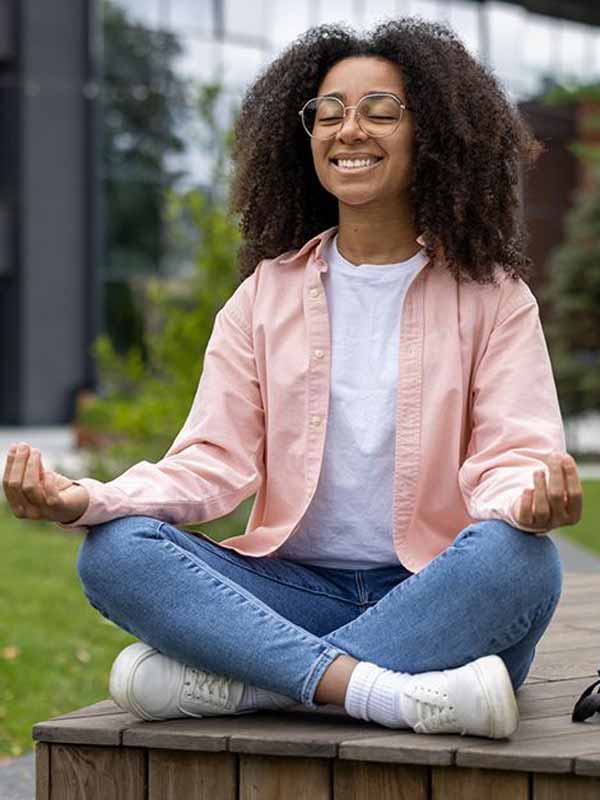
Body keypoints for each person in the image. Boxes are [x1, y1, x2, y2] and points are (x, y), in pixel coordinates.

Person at [2, 18, 583, 739]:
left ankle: (255, 685)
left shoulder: (493, 296)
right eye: (328, 112)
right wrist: (87, 498)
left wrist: (527, 501)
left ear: (431, 133)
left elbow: (513, 453)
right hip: (290, 592)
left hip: (437, 589)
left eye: (380, 111)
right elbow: (211, 461)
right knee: (115, 553)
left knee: (520, 563)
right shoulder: (263, 297)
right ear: (303, 137)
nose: (349, 130)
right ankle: (387, 693)